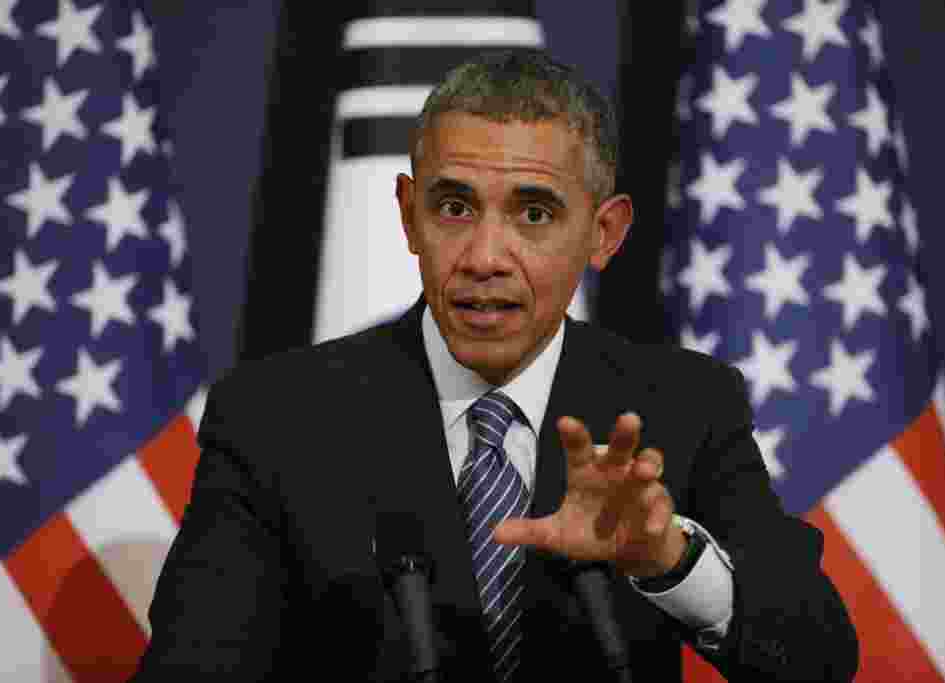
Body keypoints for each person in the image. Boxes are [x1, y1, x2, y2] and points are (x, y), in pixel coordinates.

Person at [131, 50, 857, 681]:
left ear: (603, 233)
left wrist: (669, 558)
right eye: (454, 207)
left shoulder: (686, 405)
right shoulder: (274, 420)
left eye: (533, 213)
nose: (483, 257)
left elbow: (818, 657)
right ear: (410, 213)